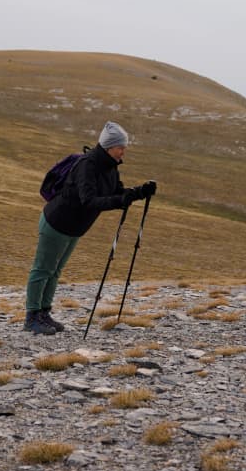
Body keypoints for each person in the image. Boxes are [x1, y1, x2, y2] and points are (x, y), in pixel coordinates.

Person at [24, 120, 156, 335]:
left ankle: (44, 313)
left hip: (75, 227)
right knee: (43, 269)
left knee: (55, 271)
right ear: (109, 147)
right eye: (120, 147)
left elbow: (117, 193)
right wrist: (121, 200)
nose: (124, 152)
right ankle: (31, 318)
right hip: (57, 222)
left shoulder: (110, 167)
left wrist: (139, 192)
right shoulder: (87, 165)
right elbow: (90, 200)